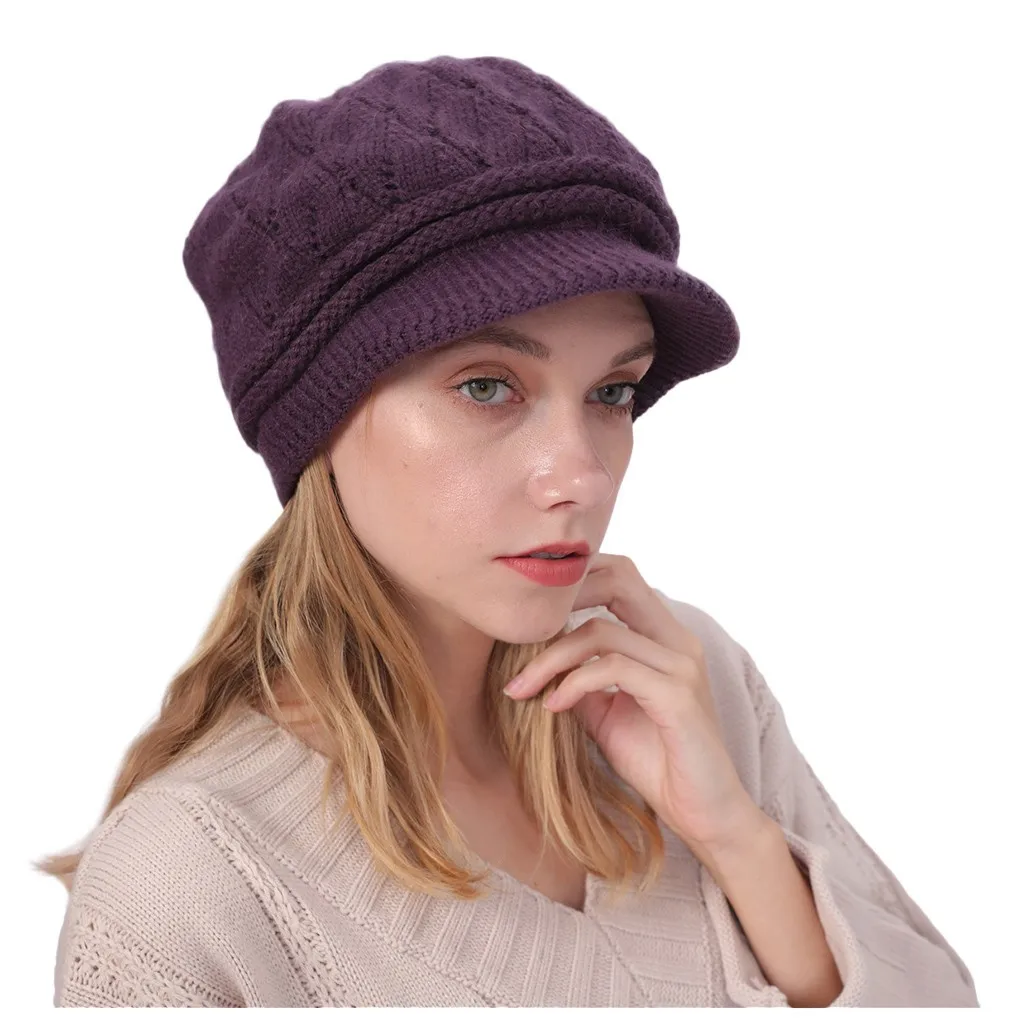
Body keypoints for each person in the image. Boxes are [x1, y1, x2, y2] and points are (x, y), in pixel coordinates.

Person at [39, 54, 978, 1008]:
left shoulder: (684, 684)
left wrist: (735, 836)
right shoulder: (189, 880)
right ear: (317, 424)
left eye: (612, 392)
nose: (581, 476)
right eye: (487, 386)